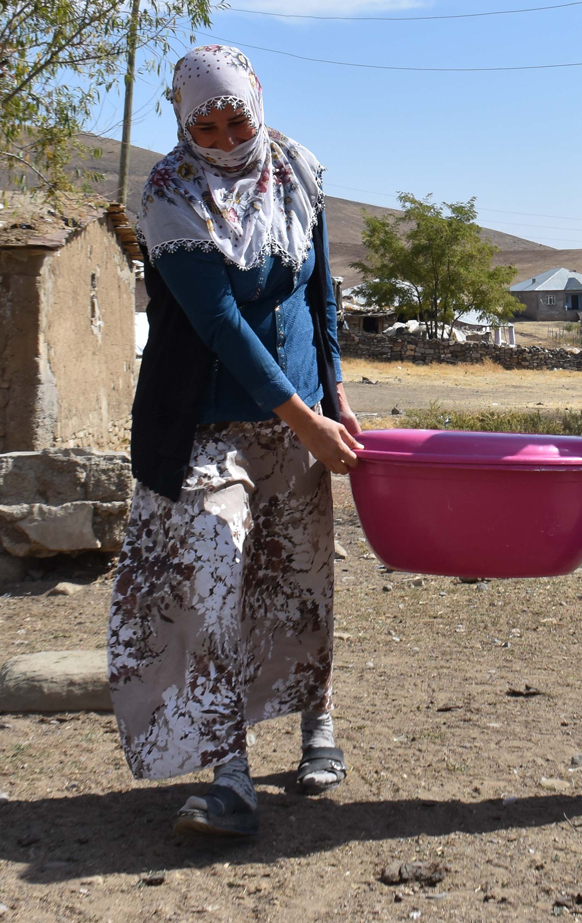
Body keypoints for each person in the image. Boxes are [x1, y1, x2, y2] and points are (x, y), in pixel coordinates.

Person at [111, 44, 363, 841]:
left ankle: (316, 721)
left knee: (300, 575)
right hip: (206, 424)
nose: (223, 139)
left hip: (299, 418)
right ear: (184, 124)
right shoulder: (169, 193)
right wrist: (307, 419)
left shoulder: (298, 170)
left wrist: (337, 390)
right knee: (215, 576)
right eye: (206, 126)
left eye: (235, 120)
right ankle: (229, 773)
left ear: (258, 101)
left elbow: (321, 291)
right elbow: (218, 321)